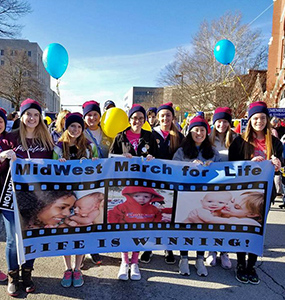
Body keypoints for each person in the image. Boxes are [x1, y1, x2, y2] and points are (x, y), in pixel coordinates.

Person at [1, 99, 54, 296]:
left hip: (36, 198)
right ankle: (13, 276)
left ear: (40, 118)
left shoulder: (47, 141)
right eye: (28, 114)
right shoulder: (9, 138)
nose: (32, 118)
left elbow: (54, 168)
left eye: (36, 114)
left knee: (32, 237)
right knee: (14, 240)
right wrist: (3, 157)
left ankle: (27, 273)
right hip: (12, 196)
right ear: (21, 116)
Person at [229, 101, 283, 285]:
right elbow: (231, 166)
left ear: (267, 120)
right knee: (243, 228)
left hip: (266, 193)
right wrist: (249, 162)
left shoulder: (274, 142)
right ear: (249, 120)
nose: (259, 121)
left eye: (262, 118)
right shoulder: (240, 141)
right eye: (255, 118)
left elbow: (280, 164)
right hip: (244, 192)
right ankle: (240, 263)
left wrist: (278, 164)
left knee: (257, 229)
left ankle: (251, 265)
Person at [110, 104, 158, 281]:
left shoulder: (150, 137)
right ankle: (124, 260)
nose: (137, 121)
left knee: (139, 224)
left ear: (144, 120)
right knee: (125, 223)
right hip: (127, 187)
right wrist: (122, 159)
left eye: (140, 118)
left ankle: (135, 262)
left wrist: (152, 159)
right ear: (129, 120)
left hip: (144, 186)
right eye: (134, 118)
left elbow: (159, 160)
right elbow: (110, 160)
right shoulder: (120, 137)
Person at [53, 112, 98, 288]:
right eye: (72, 126)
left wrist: (95, 162)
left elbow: (99, 169)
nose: (76, 129)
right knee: (66, 231)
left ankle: (78, 268)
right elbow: (50, 171)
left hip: (83, 195)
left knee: (81, 232)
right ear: (66, 127)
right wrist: (58, 165)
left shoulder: (89, 146)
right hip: (64, 196)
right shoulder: (58, 146)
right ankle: (67, 267)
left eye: (79, 126)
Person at [173, 115, 221, 277]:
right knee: (185, 226)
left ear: (207, 132)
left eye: (202, 130)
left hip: (206, 197)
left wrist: (212, 167)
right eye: (196, 130)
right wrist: (187, 166)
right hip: (186, 195)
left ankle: (200, 258)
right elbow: (172, 171)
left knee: (203, 227)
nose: (199, 133)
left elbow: (223, 173)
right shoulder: (181, 151)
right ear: (190, 132)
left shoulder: (213, 152)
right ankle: (184, 258)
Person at [140, 102, 184, 265]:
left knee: (168, 215)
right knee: (151, 214)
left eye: (168, 115)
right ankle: (148, 247)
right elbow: (143, 154)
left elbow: (185, 157)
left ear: (173, 117)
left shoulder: (179, 136)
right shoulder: (151, 135)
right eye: (163, 115)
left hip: (172, 182)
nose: (166, 118)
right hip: (153, 181)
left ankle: (168, 247)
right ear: (158, 117)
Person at [82, 100, 113, 264]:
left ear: (100, 116)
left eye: (95, 114)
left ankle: (94, 247)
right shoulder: (80, 132)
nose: (92, 118)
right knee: (86, 214)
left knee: (99, 215)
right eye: (89, 115)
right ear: (84, 117)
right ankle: (84, 248)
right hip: (86, 180)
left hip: (105, 180)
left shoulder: (108, 133)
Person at [207, 107, 237, 269]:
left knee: (226, 218)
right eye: (219, 121)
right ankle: (211, 250)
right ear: (214, 122)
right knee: (212, 218)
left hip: (230, 184)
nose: (222, 124)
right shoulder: (208, 139)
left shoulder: (236, 138)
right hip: (211, 184)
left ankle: (224, 251)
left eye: (225, 121)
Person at [184, 191, 263, 227]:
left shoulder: (250, 222)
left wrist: (197, 221)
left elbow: (209, 220)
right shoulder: (219, 213)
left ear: (252, 214)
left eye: (236, 207)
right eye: (231, 201)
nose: (228, 205)